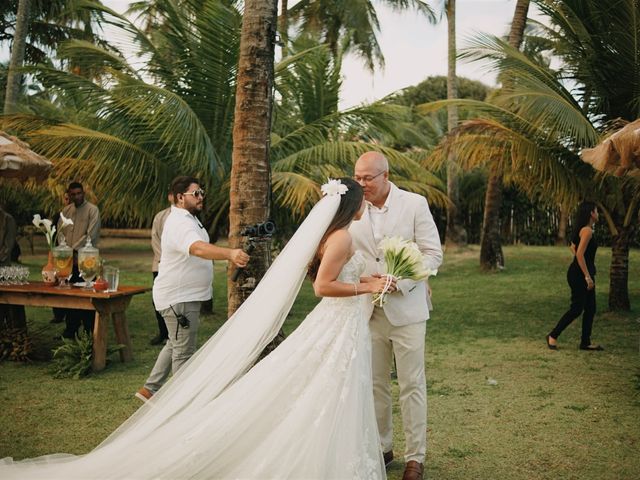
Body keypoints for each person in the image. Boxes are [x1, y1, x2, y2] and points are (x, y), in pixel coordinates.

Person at [0, 177, 396, 479]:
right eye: (360, 199)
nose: (364, 203)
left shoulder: (334, 235)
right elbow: (323, 286)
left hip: (339, 326)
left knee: (329, 388)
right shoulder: (341, 237)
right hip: (332, 323)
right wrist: (369, 285)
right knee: (324, 387)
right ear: (350, 206)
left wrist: (374, 278)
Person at [349, 151, 443, 480]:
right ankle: (383, 448)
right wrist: (363, 282)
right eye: (357, 177)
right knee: (375, 384)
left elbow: (433, 254)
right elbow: (352, 255)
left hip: (408, 310)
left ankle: (415, 456)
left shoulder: (414, 204)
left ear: (385, 175)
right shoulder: (353, 207)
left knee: (411, 384)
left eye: (367, 178)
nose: (361, 184)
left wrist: (399, 280)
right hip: (367, 310)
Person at [135, 176, 249, 401]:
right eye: (195, 194)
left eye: (202, 193)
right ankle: (179, 405)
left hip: (183, 296)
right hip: (180, 298)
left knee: (175, 343)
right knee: (183, 352)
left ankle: (149, 390)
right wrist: (230, 254)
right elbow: (196, 248)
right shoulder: (179, 223)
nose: (201, 197)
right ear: (180, 198)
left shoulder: (188, 219)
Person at [547, 201, 603, 351]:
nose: (598, 214)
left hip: (582, 272)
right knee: (577, 308)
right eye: (597, 211)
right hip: (580, 275)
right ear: (591, 213)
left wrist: (586, 268)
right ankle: (552, 335)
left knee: (591, 308)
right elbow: (579, 253)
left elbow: (573, 247)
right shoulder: (587, 231)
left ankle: (585, 342)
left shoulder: (583, 229)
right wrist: (587, 277)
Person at [57, 182, 101, 338]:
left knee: (87, 296)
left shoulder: (92, 210)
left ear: (84, 193)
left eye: (79, 193)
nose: (77, 196)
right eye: (73, 194)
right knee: (70, 296)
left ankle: (89, 332)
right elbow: (60, 233)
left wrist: (73, 251)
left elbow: (91, 234)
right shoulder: (66, 211)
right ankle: (71, 330)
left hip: (86, 260)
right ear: (69, 194)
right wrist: (65, 253)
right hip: (68, 261)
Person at [148, 192, 174, 346]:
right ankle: (162, 332)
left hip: (177, 267)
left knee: (175, 300)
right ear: (170, 196)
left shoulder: (189, 217)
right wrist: (164, 259)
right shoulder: (160, 216)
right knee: (157, 299)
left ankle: (172, 333)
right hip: (160, 264)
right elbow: (155, 239)